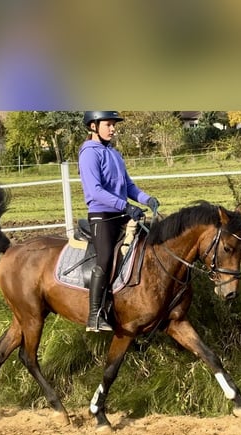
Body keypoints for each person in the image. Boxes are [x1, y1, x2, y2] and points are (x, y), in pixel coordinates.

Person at [78, 111, 160, 332]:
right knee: (104, 260)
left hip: (120, 212)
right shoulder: (89, 154)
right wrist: (125, 206)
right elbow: (95, 191)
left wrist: (146, 199)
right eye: (108, 124)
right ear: (93, 126)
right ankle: (94, 315)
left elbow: (129, 186)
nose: (113, 128)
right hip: (102, 216)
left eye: (114, 125)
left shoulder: (113, 153)